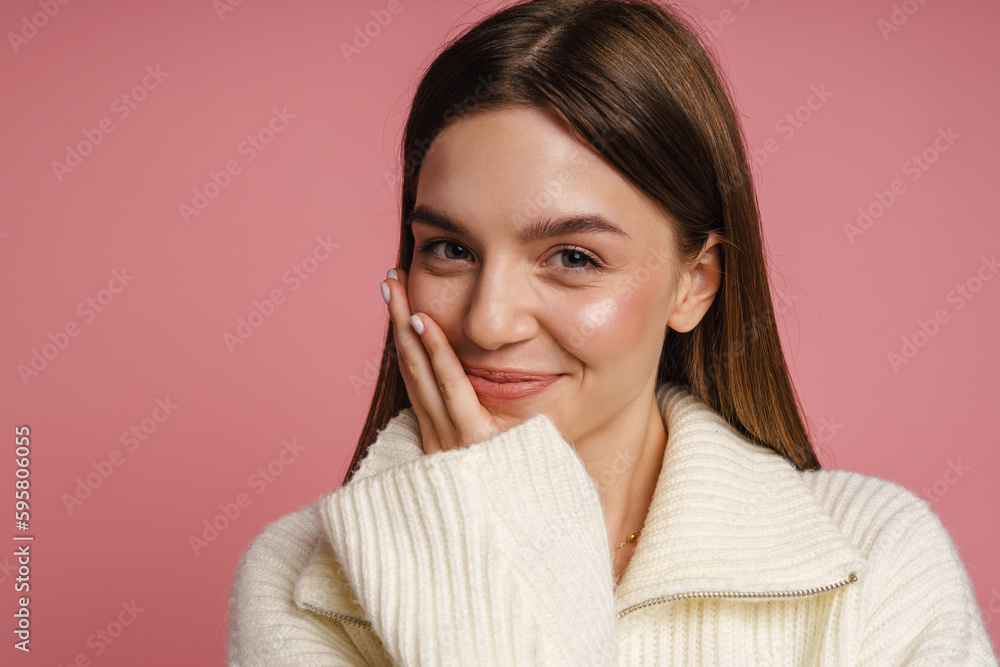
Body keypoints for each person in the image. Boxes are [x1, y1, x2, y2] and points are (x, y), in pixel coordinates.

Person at [226, 0, 997, 664]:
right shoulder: (302, 579)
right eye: (450, 248)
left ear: (693, 282)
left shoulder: (878, 562)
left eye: (573, 256)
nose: (489, 322)